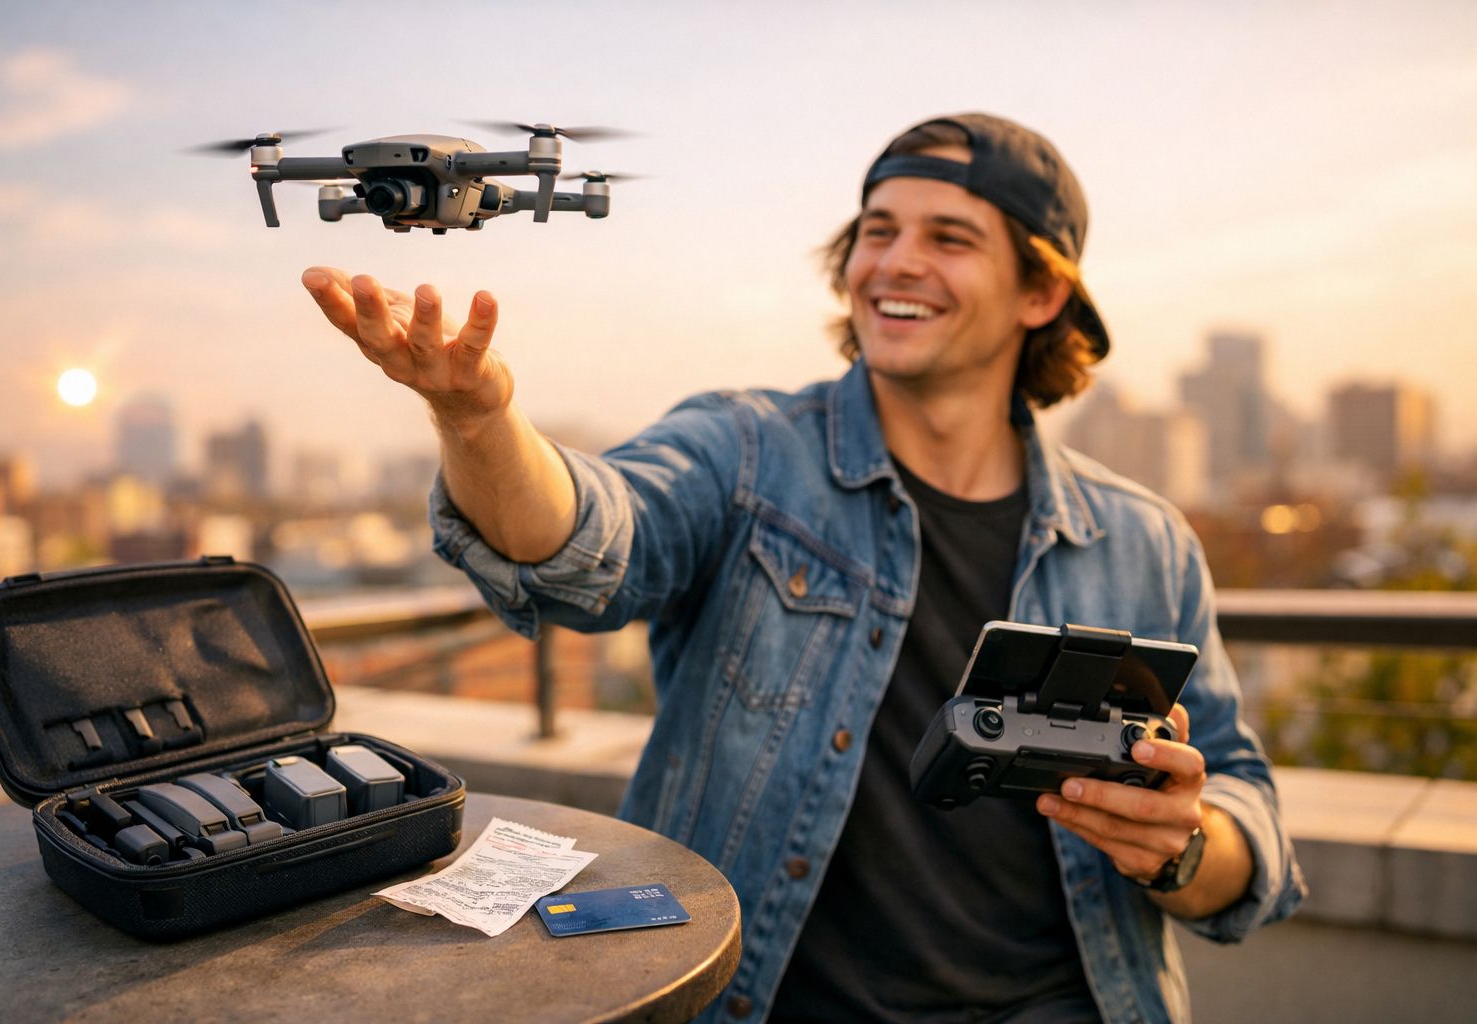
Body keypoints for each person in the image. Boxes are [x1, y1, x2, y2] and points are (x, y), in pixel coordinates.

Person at [301, 113, 1304, 1024]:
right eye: (878, 229)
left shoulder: (1142, 540)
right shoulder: (746, 454)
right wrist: (478, 421)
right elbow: (590, 543)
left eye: (949, 239)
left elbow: (1246, 821)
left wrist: (1179, 841)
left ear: (1041, 292)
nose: (894, 263)